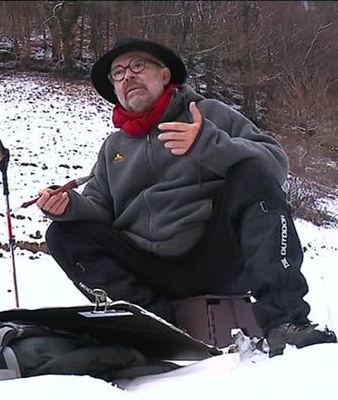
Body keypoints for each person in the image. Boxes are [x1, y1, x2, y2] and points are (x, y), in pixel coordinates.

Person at [36, 38, 336, 357]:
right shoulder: (113, 148)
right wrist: (69, 206)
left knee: (252, 171)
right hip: (150, 271)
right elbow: (100, 212)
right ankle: (153, 324)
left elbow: (274, 164)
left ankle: (285, 323)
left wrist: (208, 144)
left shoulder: (207, 114)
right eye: (118, 73)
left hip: (216, 257)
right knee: (63, 234)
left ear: (164, 75)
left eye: (138, 66)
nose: (127, 77)